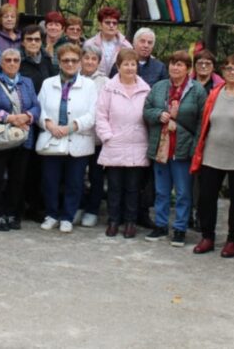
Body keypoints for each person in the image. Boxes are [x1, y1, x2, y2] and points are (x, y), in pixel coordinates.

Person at [190, 55, 234, 257]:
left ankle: (233, 240)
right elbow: (205, 123)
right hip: (212, 154)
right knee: (207, 197)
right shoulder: (215, 93)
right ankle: (207, 236)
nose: (232, 72)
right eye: (228, 68)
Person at [143, 50, 207, 247]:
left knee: (182, 192)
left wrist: (196, 148)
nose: (175, 67)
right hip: (161, 146)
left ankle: (180, 228)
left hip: (183, 148)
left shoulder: (197, 90)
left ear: (188, 68)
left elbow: (201, 121)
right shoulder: (159, 87)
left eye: (180, 64)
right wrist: (158, 114)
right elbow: (146, 110)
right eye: (172, 63)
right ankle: (161, 225)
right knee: (161, 191)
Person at [35, 43, 99, 234]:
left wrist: (71, 127)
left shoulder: (89, 85)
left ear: (79, 63)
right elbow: (39, 109)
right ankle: (52, 214)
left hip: (77, 137)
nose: (70, 64)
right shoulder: (48, 83)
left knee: (75, 181)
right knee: (50, 180)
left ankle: (68, 217)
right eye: (66, 60)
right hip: (52, 136)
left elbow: (92, 114)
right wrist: (49, 124)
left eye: (74, 60)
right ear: (59, 62)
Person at [0, 48, 40, 232]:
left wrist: (27, 116)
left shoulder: (27, 82)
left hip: (22, 138)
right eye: (8, 60)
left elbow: (36, 106)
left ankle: (13, 213)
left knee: (18, 178)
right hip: (0, 137)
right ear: (1, 62)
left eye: (16, 60)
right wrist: (10, 118)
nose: (12, 63)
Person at [95, 49, 151, 239]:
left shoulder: (146, 89)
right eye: (125, 64)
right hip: (115, 143)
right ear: (118, 66)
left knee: (133, 187)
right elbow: (101, 114)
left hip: (138, 144)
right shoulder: (108, 88)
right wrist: (107, 136)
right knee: (114, 186)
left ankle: (130, 221)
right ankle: (113, 221)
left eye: (133, 64)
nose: (129, 67)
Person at [78, 44, 108, 226]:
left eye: (93, 59)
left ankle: (92, 210)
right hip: (78, 136)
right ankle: (78, 206)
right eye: (86, 58)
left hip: (97, 138)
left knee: (96, 176)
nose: (89, 62)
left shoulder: (105, 82)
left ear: (98, 62)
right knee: (77, 175)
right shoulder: (74, 77)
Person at [83, 7, 131, 77]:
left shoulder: (126, 46)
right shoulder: (89, 44)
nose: (111, 25)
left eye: (114, 23)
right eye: (107, 22)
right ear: (100, 24)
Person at [19, 24, 53, 92]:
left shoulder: (47, 59)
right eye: (29, 39)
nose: (33, 42)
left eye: (37, 39)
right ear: (22, 42)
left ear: (41, 42)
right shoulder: (17, 61)